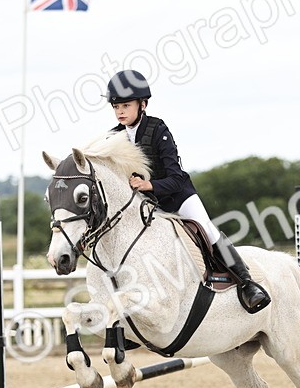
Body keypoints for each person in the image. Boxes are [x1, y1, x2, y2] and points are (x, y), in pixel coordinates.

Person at [104, 69, 271, 313]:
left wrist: (149, 185)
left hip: (177, 196)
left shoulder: (158, 130)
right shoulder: (114, 137)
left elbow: (175, 177)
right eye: (115, 107)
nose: (119, 112)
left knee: (208, 229)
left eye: (125, 106)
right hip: (148, 205)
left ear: (143, 104)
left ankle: (247, 284)